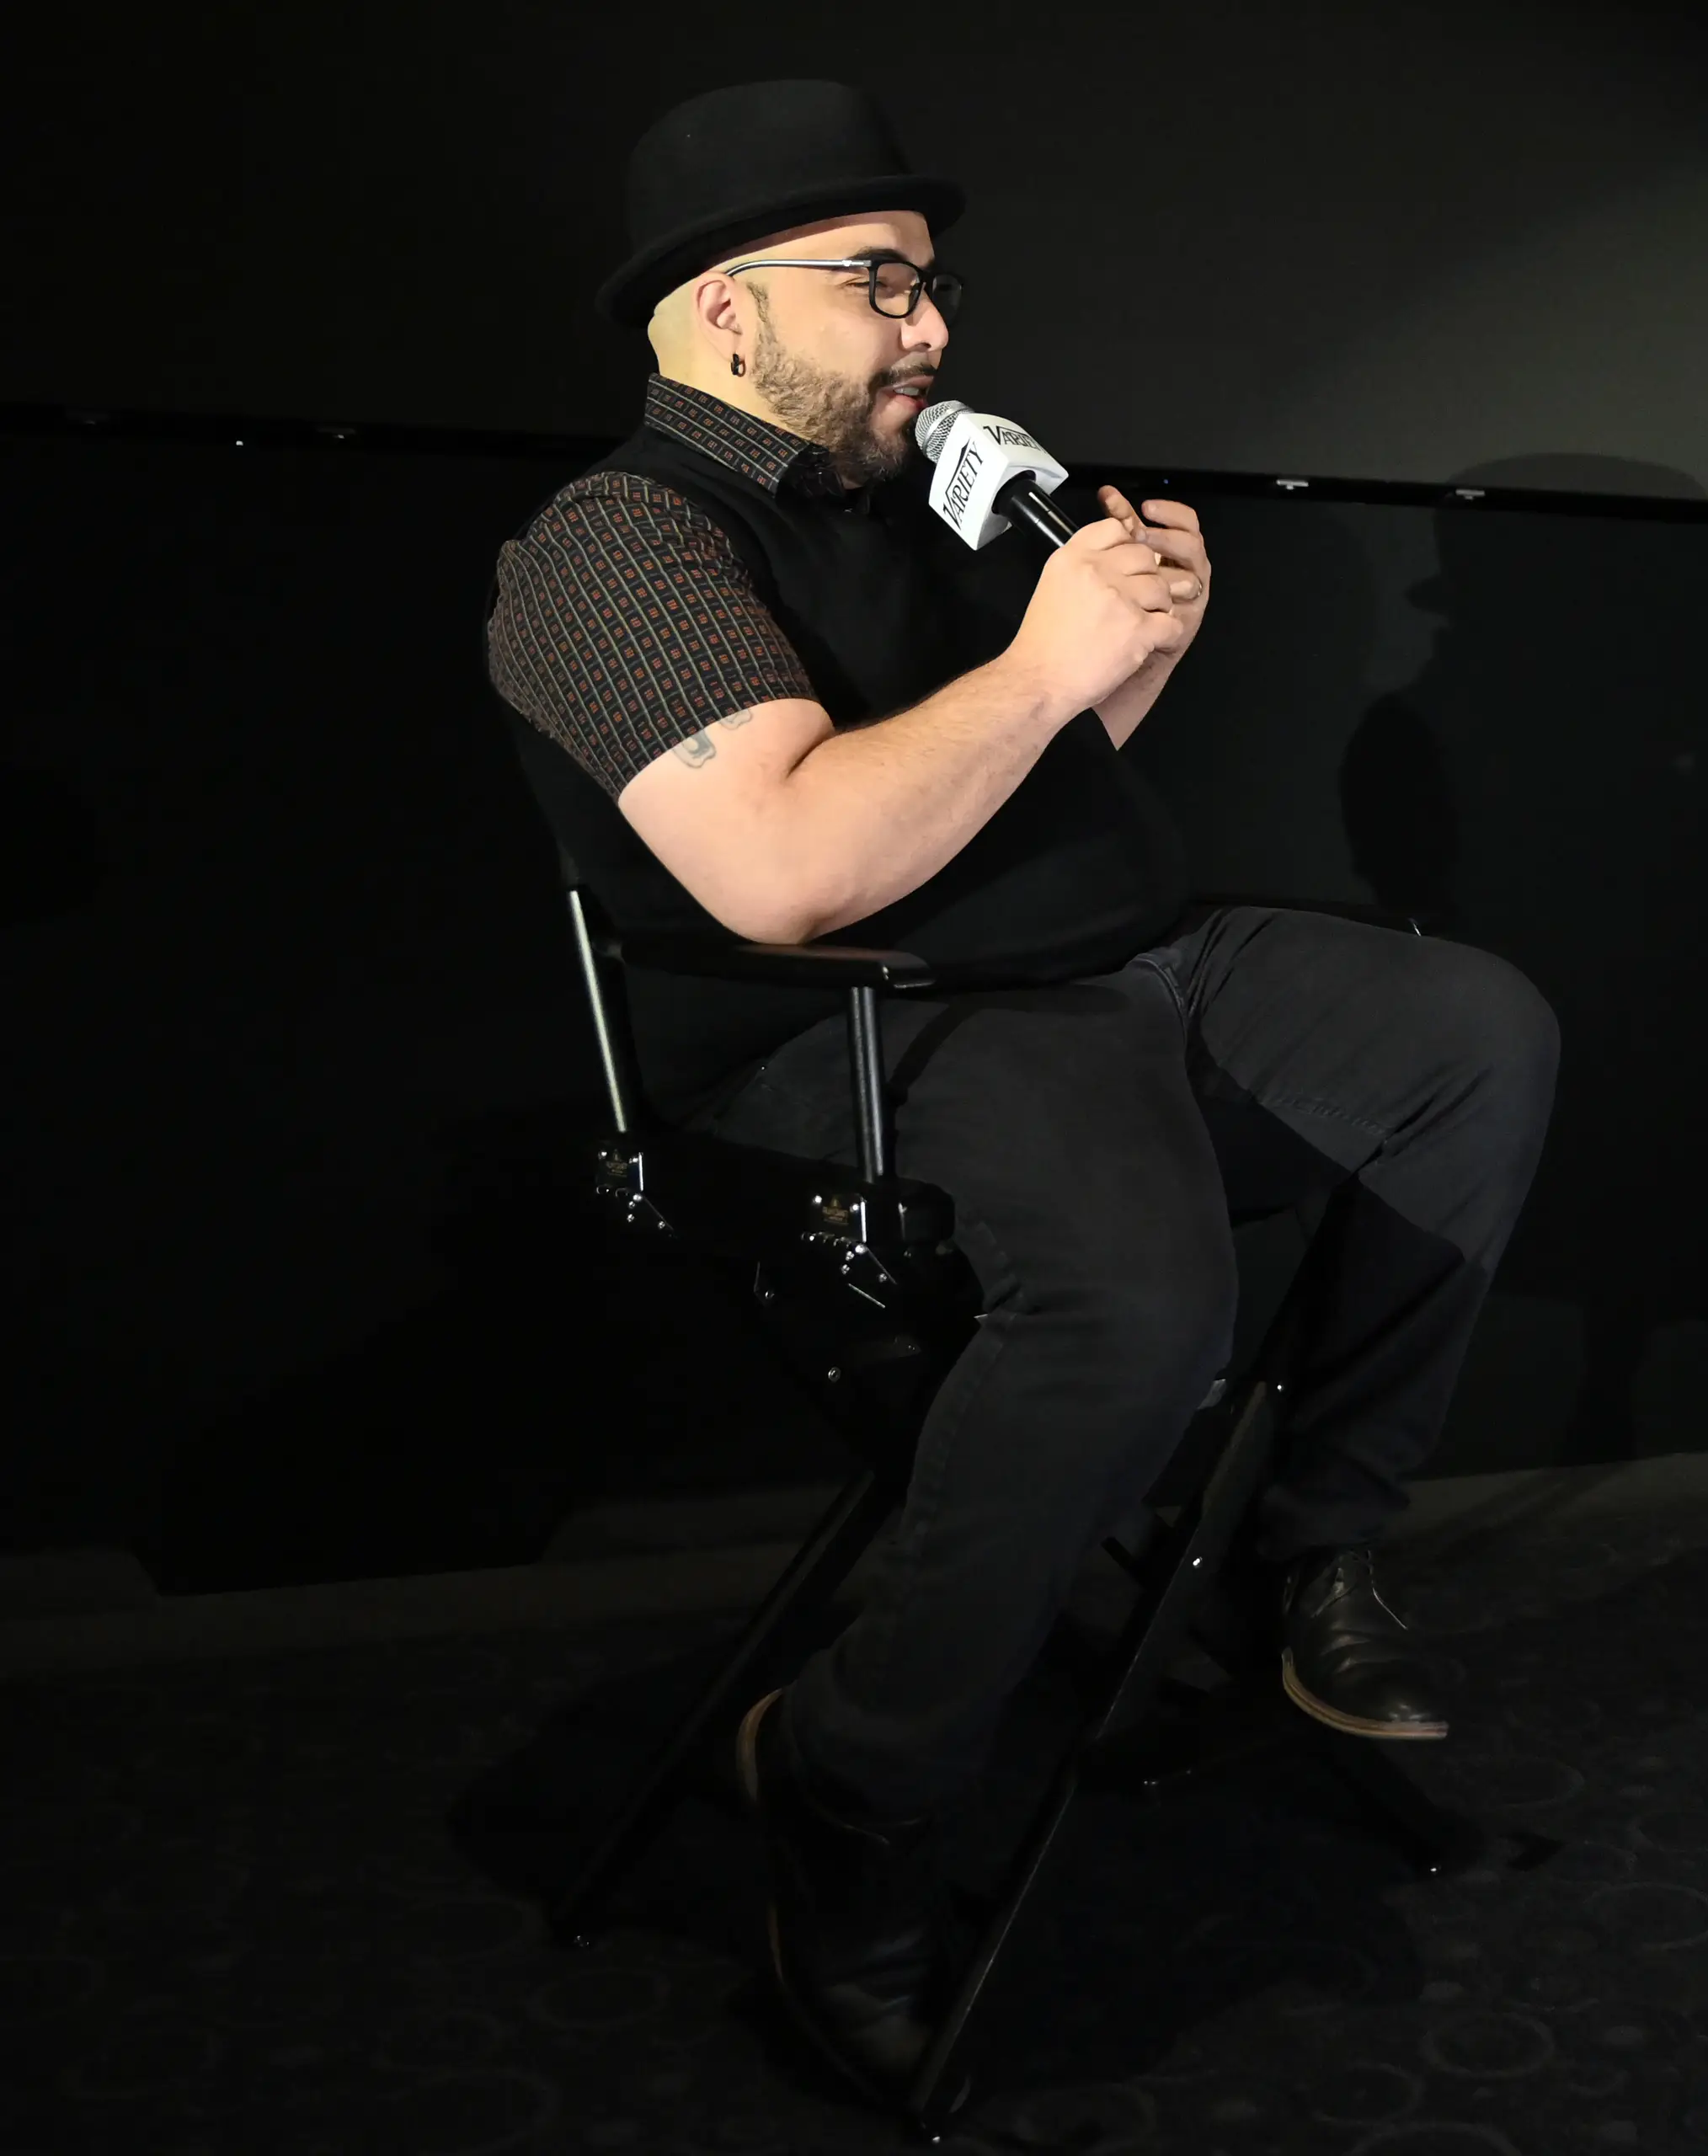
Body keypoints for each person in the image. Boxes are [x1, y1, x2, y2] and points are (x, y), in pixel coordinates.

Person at [485, 82, 1557, 2100]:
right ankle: (848, 1783)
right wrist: (1048, 664)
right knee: (1144, 1299)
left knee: (1470, 1035)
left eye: (930, 283)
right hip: (856, 1038)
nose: (932, 330)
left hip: (1105, 967)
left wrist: (1129, 640)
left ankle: (1296, 1554)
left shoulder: (920, 498)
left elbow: (1038, 765)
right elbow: (791, 868)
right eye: (881, 285)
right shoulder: (615, 549)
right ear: (726, 312)